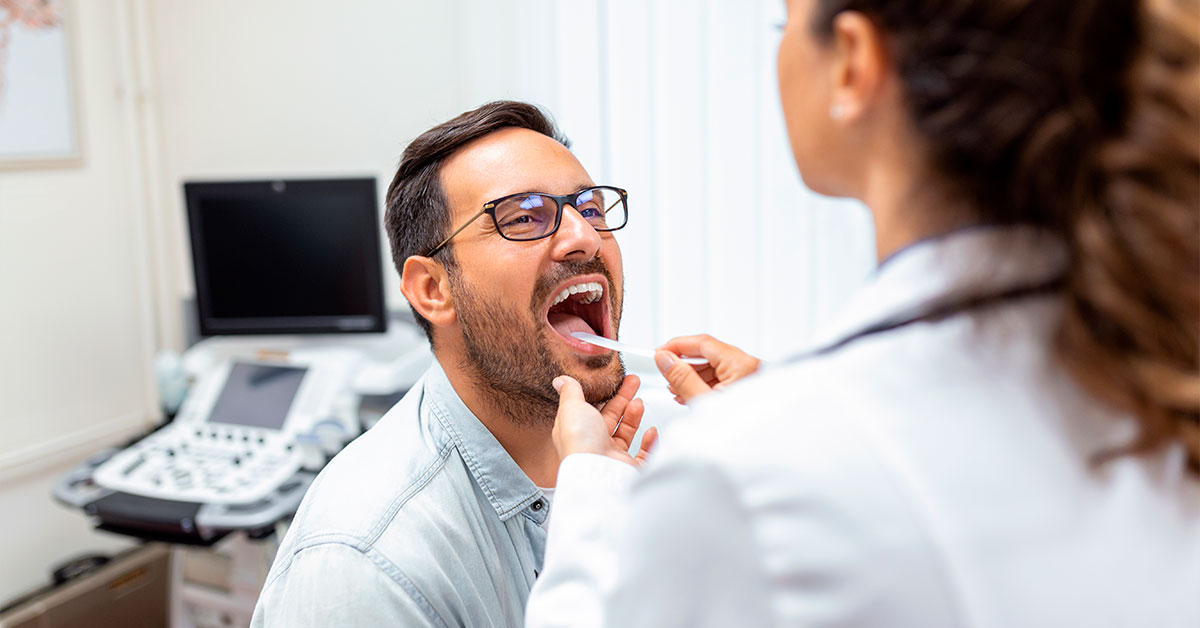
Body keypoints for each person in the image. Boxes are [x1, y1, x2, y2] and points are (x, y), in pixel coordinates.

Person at [527, 0, 1200, 626]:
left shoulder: (746, 477)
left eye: (782, 24)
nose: (581, 236)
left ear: (851, 61)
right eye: (526, 218)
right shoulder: (1158, 365)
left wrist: (590, 485)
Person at [251, 101, 654, 627]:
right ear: (434, 290)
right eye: (524, 216)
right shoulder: (364, 564)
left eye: (592, 208)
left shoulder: (624, 461)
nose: (584, 236)